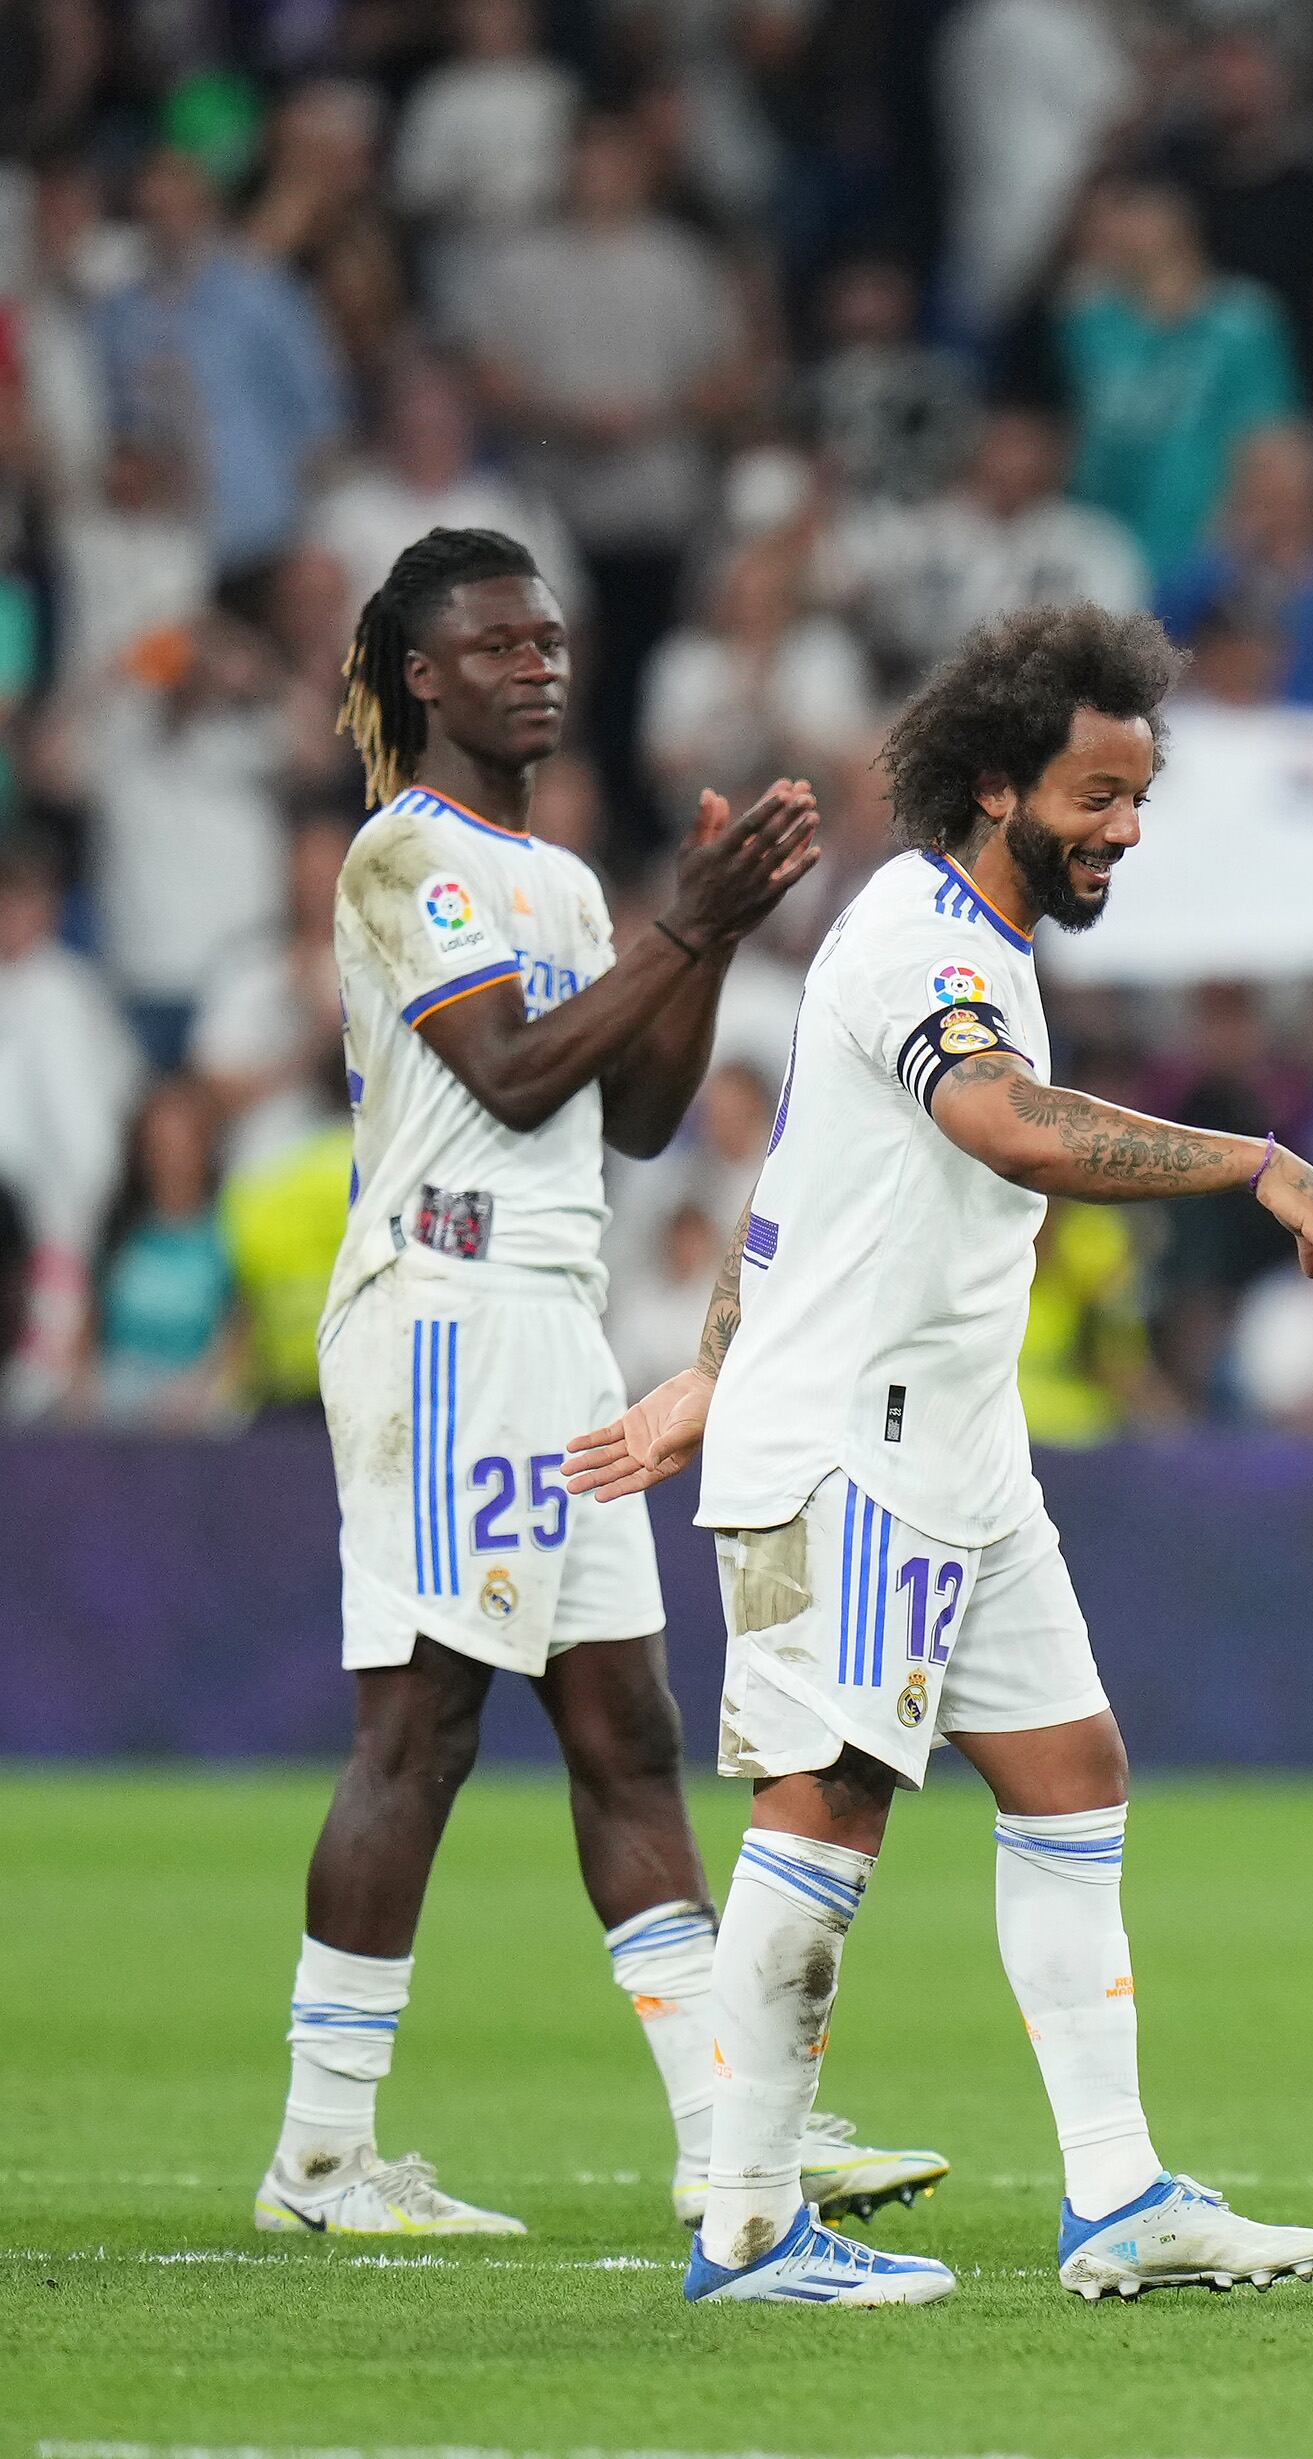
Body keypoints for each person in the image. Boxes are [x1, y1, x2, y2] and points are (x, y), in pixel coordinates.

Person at [566, 603, 1313, 2309]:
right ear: (997, 781)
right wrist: (1256, 1161)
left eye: (1139, 799)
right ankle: (747, 2223)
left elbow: (795, 1185)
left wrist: (712, 1363)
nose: (1125, 833)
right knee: (833, 1797)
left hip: (951, 1444)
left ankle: (1120, 2199)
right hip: (855, 1451)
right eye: (1099, 796)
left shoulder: (970, 944)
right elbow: (999, 1120)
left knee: (1072, 1775)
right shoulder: (920, 939)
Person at [263, 528, 942, 2242]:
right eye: (496, 644)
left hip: (554, 1316)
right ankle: (322, 2159)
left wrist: (702, 942)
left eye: (552, 640)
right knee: (418, 1723)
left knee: (626, 1734)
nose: (539, 666)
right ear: (420, 675)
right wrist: (683, 924)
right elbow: (501, 1075)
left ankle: (733, 2127)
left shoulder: (558, 883)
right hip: (443, 1304)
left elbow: (632, 1113)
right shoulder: (403, 861)